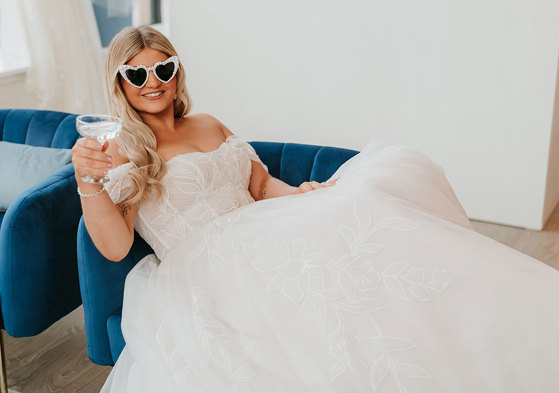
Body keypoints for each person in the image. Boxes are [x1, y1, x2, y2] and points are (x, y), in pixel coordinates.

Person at [72, 26, 559, 393]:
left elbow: (259, 183)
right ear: (120, 82)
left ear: (177, 74)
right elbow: (115, 247)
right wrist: (88, 181)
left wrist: (300, 196)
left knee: (364, 210)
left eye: (163, 68)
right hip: (207, 263)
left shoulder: (207, 122)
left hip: (264, 225)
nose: (152, 82)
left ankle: (473, 328)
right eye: (137, 73)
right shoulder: (123, 150)